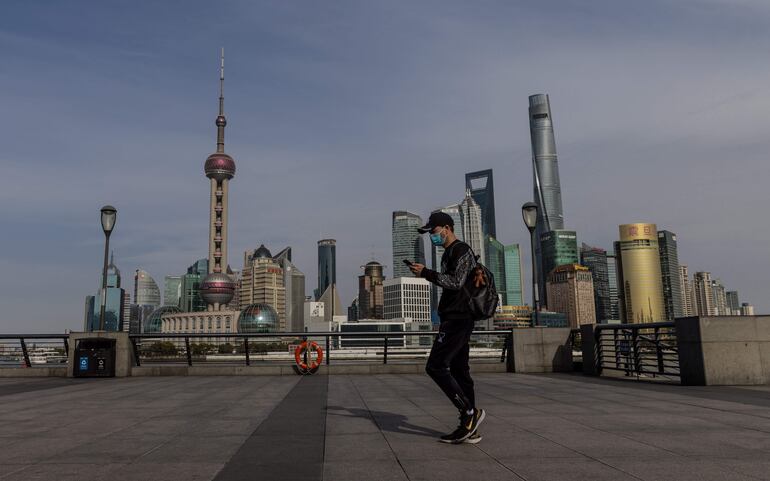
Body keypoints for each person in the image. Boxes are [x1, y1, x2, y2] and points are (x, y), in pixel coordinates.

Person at [409, 211, 485, 444]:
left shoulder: (461, 250)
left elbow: (456, 282)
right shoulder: (449, 253)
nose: (432, 236)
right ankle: (469, 427)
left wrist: (426, 273)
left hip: (459, 318)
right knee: (460, 370)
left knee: (436, 366)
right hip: (454, 316)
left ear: (446, 228)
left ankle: (470, 413)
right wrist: (428, 273)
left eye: (433, 231)